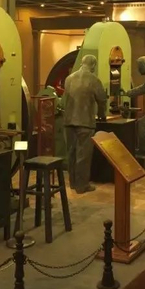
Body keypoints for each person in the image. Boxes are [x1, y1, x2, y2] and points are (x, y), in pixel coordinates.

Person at [62, 55, 107, 193]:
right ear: (93, 65)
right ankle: (82, 185)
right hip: (85, 122)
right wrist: (102, 115)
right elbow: (102, 100)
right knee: (83, 155)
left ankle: (73, 183)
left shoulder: (69, 78)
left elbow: (65, 100)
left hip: (69, 122)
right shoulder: (94, 80)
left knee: (71, 153)